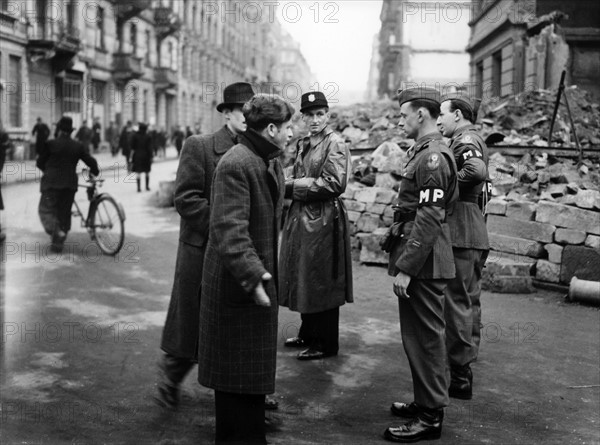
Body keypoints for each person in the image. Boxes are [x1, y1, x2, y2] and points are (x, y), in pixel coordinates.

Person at [198, 93, 293, 444]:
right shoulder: (238, 163)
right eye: (287, 127)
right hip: (237, 287)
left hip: (252, 285)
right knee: (234, 381)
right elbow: (229, 230)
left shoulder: (266, 159)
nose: (291, 132)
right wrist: (254, 276)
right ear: (271, 129)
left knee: (248, 380)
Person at [156, 82, 257, 409]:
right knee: (194, 322)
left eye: (251, 111)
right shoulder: (199, 146)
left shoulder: (257, 149)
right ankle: (171, 376)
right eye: (241, 110)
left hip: (240, 250)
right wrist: (224, 226)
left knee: (236, 322)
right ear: (226, 113)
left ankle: (247, 392)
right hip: (202, 249)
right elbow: (185, 199)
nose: (246, 116)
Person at [382, 87, 458, 443]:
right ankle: (424, 401)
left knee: (426, 338)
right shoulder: (424, 151)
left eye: (404, 114)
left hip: (424, 262)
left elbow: (429, 216)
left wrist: (407, 267)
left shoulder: (433, 158)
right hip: (420, 256)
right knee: (416, 335)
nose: (400, 120)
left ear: (421, 115)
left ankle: (430, 417)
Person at [279, 91, 353, 361]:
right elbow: (297, 173)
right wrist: (282, 178)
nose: (314, 120)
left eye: (319, 114)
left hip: (324, 218)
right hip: (303, 216)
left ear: (328, 115)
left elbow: (334, 183)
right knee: (304, 274)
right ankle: (308, 333)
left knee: (322, 278)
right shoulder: (303, 143)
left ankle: (325, 343)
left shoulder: (335, 143)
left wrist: (288, 187)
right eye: (309, 115)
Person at [437, 92, 490, 400]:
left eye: (442, 114)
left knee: (456, 300)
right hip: (474, 227)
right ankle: (467, 359)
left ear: (457, 115)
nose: (439, 119)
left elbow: (476, 172)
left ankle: (459, 374)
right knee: (469, 299)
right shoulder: (473, 138)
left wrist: (443, 182)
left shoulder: (464, 140)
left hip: (461, 228)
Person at [36, 116, 100, 252]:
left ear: (59, 130)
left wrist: (48, 172)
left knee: (46, 210)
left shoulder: (51, 144)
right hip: (69, 185)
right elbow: (90, 161)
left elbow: (39, 162)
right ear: (71, 131)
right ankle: (58, 243)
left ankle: (57, 233)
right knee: (64, 214)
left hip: (51, 184)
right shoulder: (77, 146)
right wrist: (95, 171)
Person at [130, 123, 153, 192]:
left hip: (137, 156)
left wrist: (131, 157)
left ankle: (138, 188)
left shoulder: (135, 136)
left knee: (138, 172)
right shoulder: (148, 136)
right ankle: (147, 187)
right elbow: (150, 148)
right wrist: (151, 156)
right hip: (146, 156)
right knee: (147, 172)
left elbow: (132, 147)